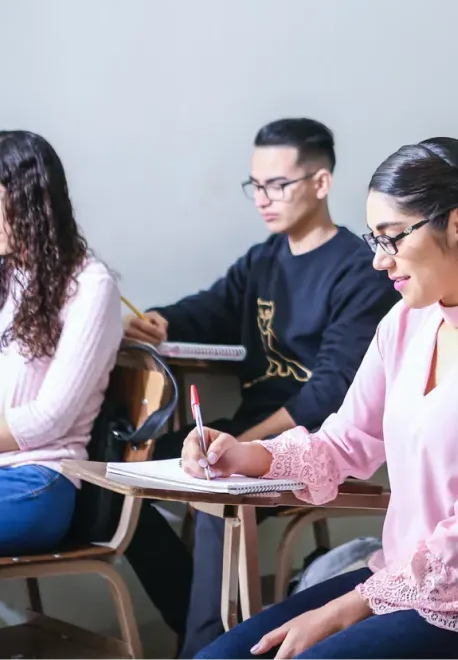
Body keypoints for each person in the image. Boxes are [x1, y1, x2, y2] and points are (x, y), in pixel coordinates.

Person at [187, 137, 458, 660]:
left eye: (392, 238)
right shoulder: (406, 321)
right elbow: (346, 440)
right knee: (218, 658)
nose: (381, 262)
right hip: (411, 582)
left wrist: (344, 608)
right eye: (374, 240)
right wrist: (245, 454)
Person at [122, 118, 399, 657]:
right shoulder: (263, 260)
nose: (263, 200)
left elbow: (330, 395)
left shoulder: (357, 270)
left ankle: (201, 648)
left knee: (213, 502)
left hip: (316, 444)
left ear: (321, 183)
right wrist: (161, 321)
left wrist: (246, 446)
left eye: (278, 185)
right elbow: (212, 308)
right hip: (251, 435)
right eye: (256, 186)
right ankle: (200, 633)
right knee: (129, 477)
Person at [0, 130, 122, 554]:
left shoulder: (90, 286)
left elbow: (48, 419)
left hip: (39, 481)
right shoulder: (9, 277)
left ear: (31, 201)